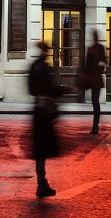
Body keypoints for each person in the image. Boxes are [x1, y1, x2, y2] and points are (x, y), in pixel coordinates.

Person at [29, 41, 70, 199]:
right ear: (45, 51)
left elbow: (31, 89)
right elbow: (51, 89)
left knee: (40, 150)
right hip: (44, 112)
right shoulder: (45, 68)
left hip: (37, 110)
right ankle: (41, 184)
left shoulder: (33, 66)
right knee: (43, 149)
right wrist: (65, 89)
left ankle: (42, 182)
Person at [77, 30, 106, 134]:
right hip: (94, 79)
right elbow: (88, 65)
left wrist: (96, 72)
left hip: (96, 79)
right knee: (95, 102)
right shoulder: (92, 49)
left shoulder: (96, 49)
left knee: (95, 101)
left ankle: (95, 124)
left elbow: (102, 63)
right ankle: (95, 124)